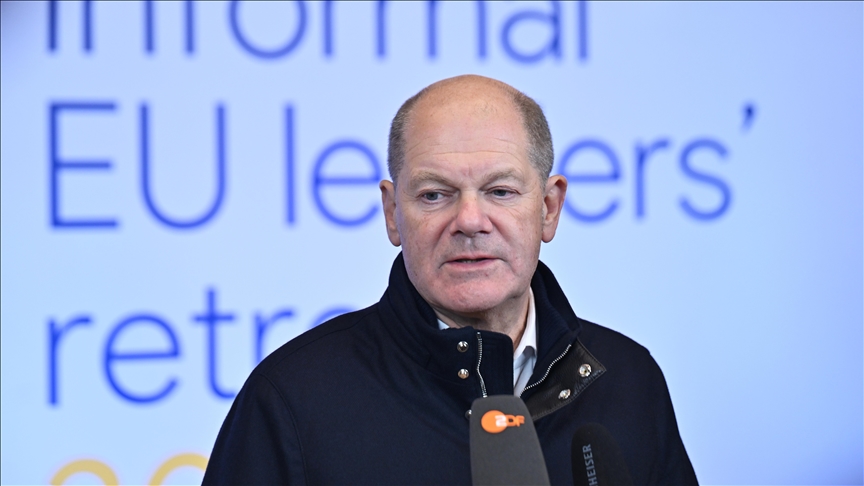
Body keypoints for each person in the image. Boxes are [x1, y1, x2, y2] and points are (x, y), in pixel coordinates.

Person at [202, 75, 698, 485]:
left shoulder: (628, 381)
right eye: (435, 195)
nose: (470, 221)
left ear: (549, 208)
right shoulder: (291, 399)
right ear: (393, 214)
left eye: (500, 191)